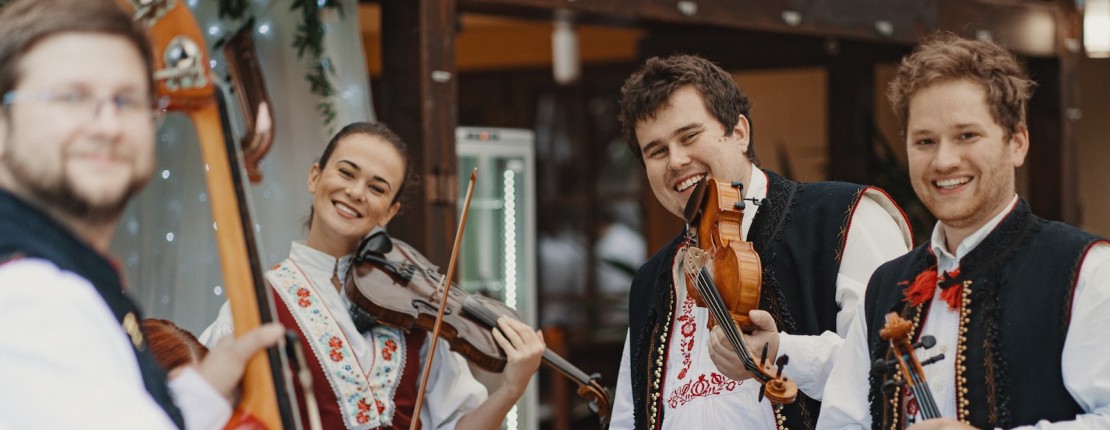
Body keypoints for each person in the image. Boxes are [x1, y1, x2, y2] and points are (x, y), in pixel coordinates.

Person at [0, 0, 284, 429]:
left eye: (128, 100)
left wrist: (198, 396)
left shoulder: (70, 277)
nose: (108, 125)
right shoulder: (31, 298)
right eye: (71, 97)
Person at [816, 32, 1110, 429]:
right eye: (924, 141)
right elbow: (842, 422)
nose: (944, 160)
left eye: (966, 135)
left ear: (1017, 143)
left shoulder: (1086, 269)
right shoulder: (886, 286)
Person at [609, 54, 913, 430]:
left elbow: (892, 373)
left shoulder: (846, 216)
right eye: (656, 151)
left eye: (689, 136)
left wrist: (784, 352)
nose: (676, 160)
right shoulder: (651, 280)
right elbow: (628, 416)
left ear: (739, 132)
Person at [201, 121, 546, 429]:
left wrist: (512, 389)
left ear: (389, 212)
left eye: (377, 188)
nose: (355, 192)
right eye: (346, 173)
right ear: (315, 177)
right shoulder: (256, 303)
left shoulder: (414, 311)